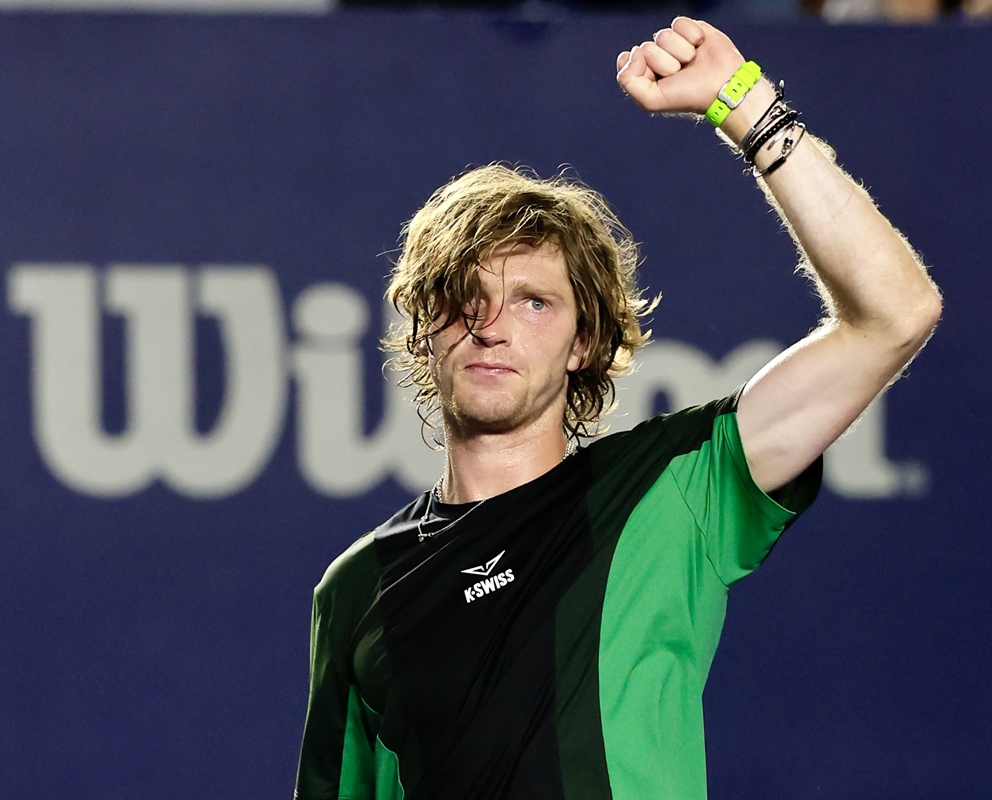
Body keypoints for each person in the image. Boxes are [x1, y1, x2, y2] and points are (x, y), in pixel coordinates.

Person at [294, 17, 941, 800]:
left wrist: (747, 106)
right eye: (464, 298)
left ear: (585, 342)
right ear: (425, 330)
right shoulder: (357, 589)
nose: (491, 325)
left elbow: (896, 315)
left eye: (533, 302)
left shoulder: (672, 486)